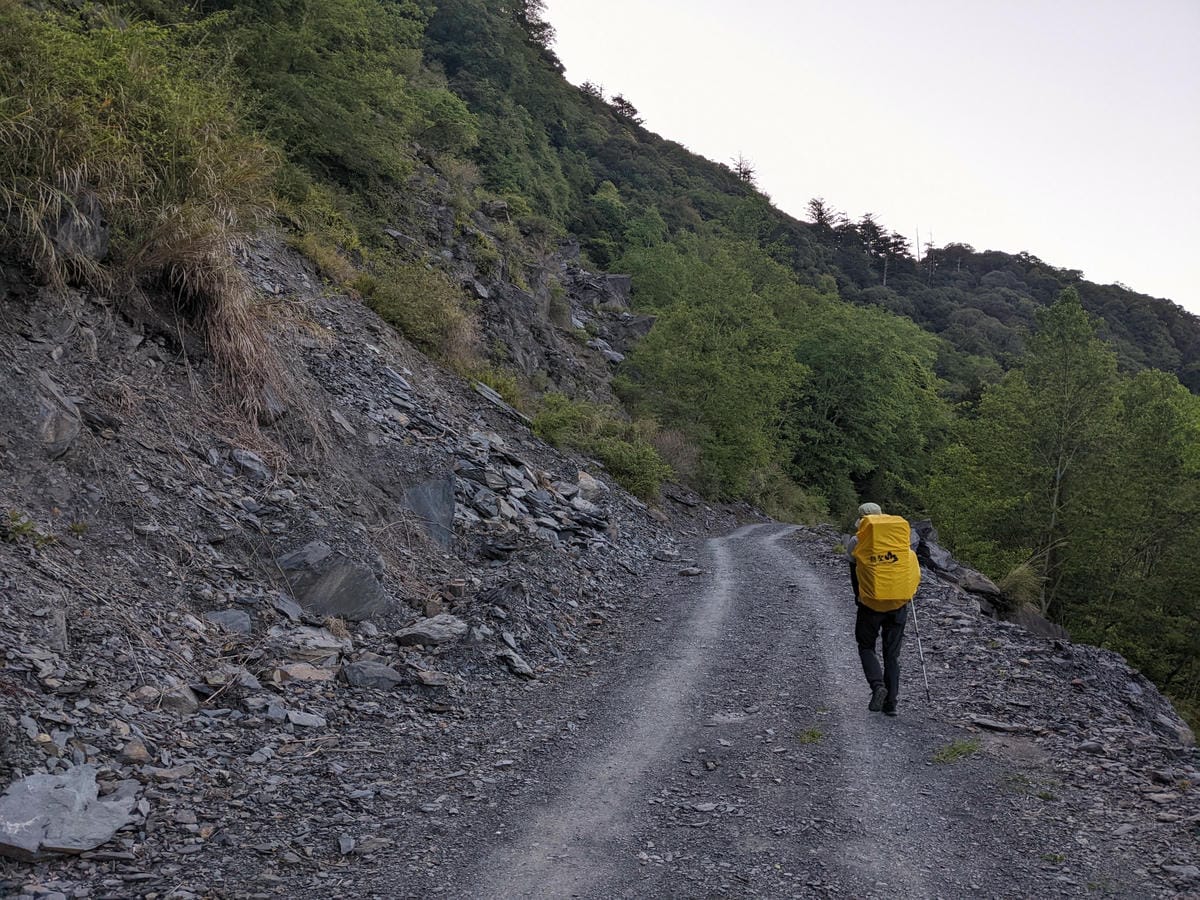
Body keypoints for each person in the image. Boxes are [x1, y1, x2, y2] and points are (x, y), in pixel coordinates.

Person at [847, 502, 917, 717]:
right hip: (898, 603)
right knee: (892, 655)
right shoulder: (899, 538)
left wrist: (859, 597)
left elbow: (854, 572)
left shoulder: (857, 541)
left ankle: (878, 686)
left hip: (870, 604)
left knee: (866, 646)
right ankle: (891, 704)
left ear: (862, 520)